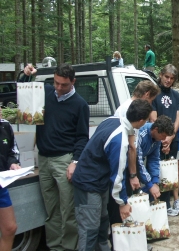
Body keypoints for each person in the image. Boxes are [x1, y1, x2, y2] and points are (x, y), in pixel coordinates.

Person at [22, 63, 89, 251]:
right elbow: (24, 95)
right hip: (43, 158)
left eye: (64, 85)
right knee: (51, 209)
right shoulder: (47, 92)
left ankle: (69, 247)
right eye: (56, 83)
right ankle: (54, 247)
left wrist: (75, 162)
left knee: (67, 210)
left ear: (73, 82)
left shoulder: (80, 104)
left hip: (64, 159)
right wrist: (26, 76)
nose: (59, 88)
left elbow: (82, 137)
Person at [72, 99, 153, 251]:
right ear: (141, 120)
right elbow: (117, 177)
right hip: (88, 182)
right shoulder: (120, 141)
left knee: (103, 223)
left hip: (100, 182)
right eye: (147, 119)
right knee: (89, 229)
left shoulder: (112, 120)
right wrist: (122, 203)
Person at [108, 80, 160, 226]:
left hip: (127, 166)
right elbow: (132, 147)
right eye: (151, 101)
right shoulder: (127, 110)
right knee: (121, 206)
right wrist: (133, 175)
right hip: (122, 166)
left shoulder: (127, 107)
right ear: (146, 94)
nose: (150, 105)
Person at [149, 64, 179, 216]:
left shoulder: (175, 95)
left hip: (171, 139)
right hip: (158, 139)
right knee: (158, 170)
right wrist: (163, 138)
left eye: (172, 78)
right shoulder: (154, 93)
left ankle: (170, 203)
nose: (168, 80)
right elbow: (153, 117)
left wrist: (170, 136)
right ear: (161, 75)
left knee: (170, 172)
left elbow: (178, 118)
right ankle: (160, 204)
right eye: (166, 77)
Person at [136, 116, 175, 201]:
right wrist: (150, 184)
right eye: (163, 136)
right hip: (128, 165)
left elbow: (154, 159)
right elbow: (137, 161)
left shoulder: (157, 139)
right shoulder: (141, 134)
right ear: (156, 129)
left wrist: (155, 180)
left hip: (138, 165)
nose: (164, 139)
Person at [0, 107, 20, 251]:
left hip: (1, 183)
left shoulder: (5, 126)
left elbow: (12, 151)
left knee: (10, 228)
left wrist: (12, 163)